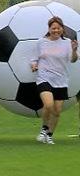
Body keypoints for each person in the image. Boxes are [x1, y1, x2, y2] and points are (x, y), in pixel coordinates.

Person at [31, 16, 78, 144]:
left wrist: (74, 50)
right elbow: (34, 58)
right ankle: (44, 129)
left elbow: (73, 59)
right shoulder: (41, 42)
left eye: (58, 28)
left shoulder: (68, 43)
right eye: (53, 28)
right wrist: (34, 65)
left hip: (61, 80)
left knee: (57, 111)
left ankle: (49, 135)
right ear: (49, 29)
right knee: (48, 104)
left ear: (62, 29)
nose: (56, 31)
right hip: (44, 78)